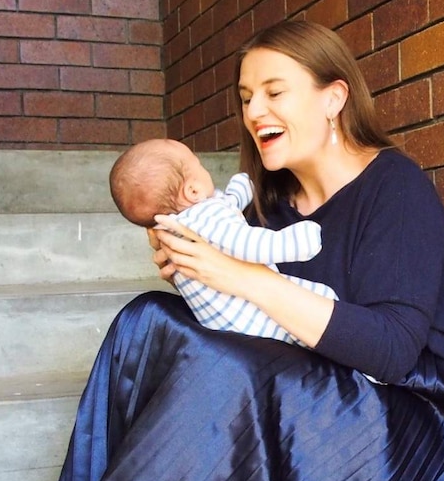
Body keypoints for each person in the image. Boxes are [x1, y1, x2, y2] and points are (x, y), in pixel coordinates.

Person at [41, 20, 444, 481]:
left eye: (274, 92)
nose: (254, 112)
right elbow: (246, 319)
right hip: (322, 370)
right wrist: (192, 268)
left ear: (334, 98)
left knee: (224, 373)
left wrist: (243, 278)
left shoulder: (395, 186)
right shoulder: (270, 205)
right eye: (246, 97)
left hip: (418, 399)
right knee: (147, 320)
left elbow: (392, 352)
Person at [108, 138, 339, 346]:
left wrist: (240, 189)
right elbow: (245, 244)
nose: (204, 170)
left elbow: (229, 205)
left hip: (226, 332)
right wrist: (290, 242)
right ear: (193, 190)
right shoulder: (205, 217)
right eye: (198, 165)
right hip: (260, 322)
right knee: (322, 298)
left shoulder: (173, 230)